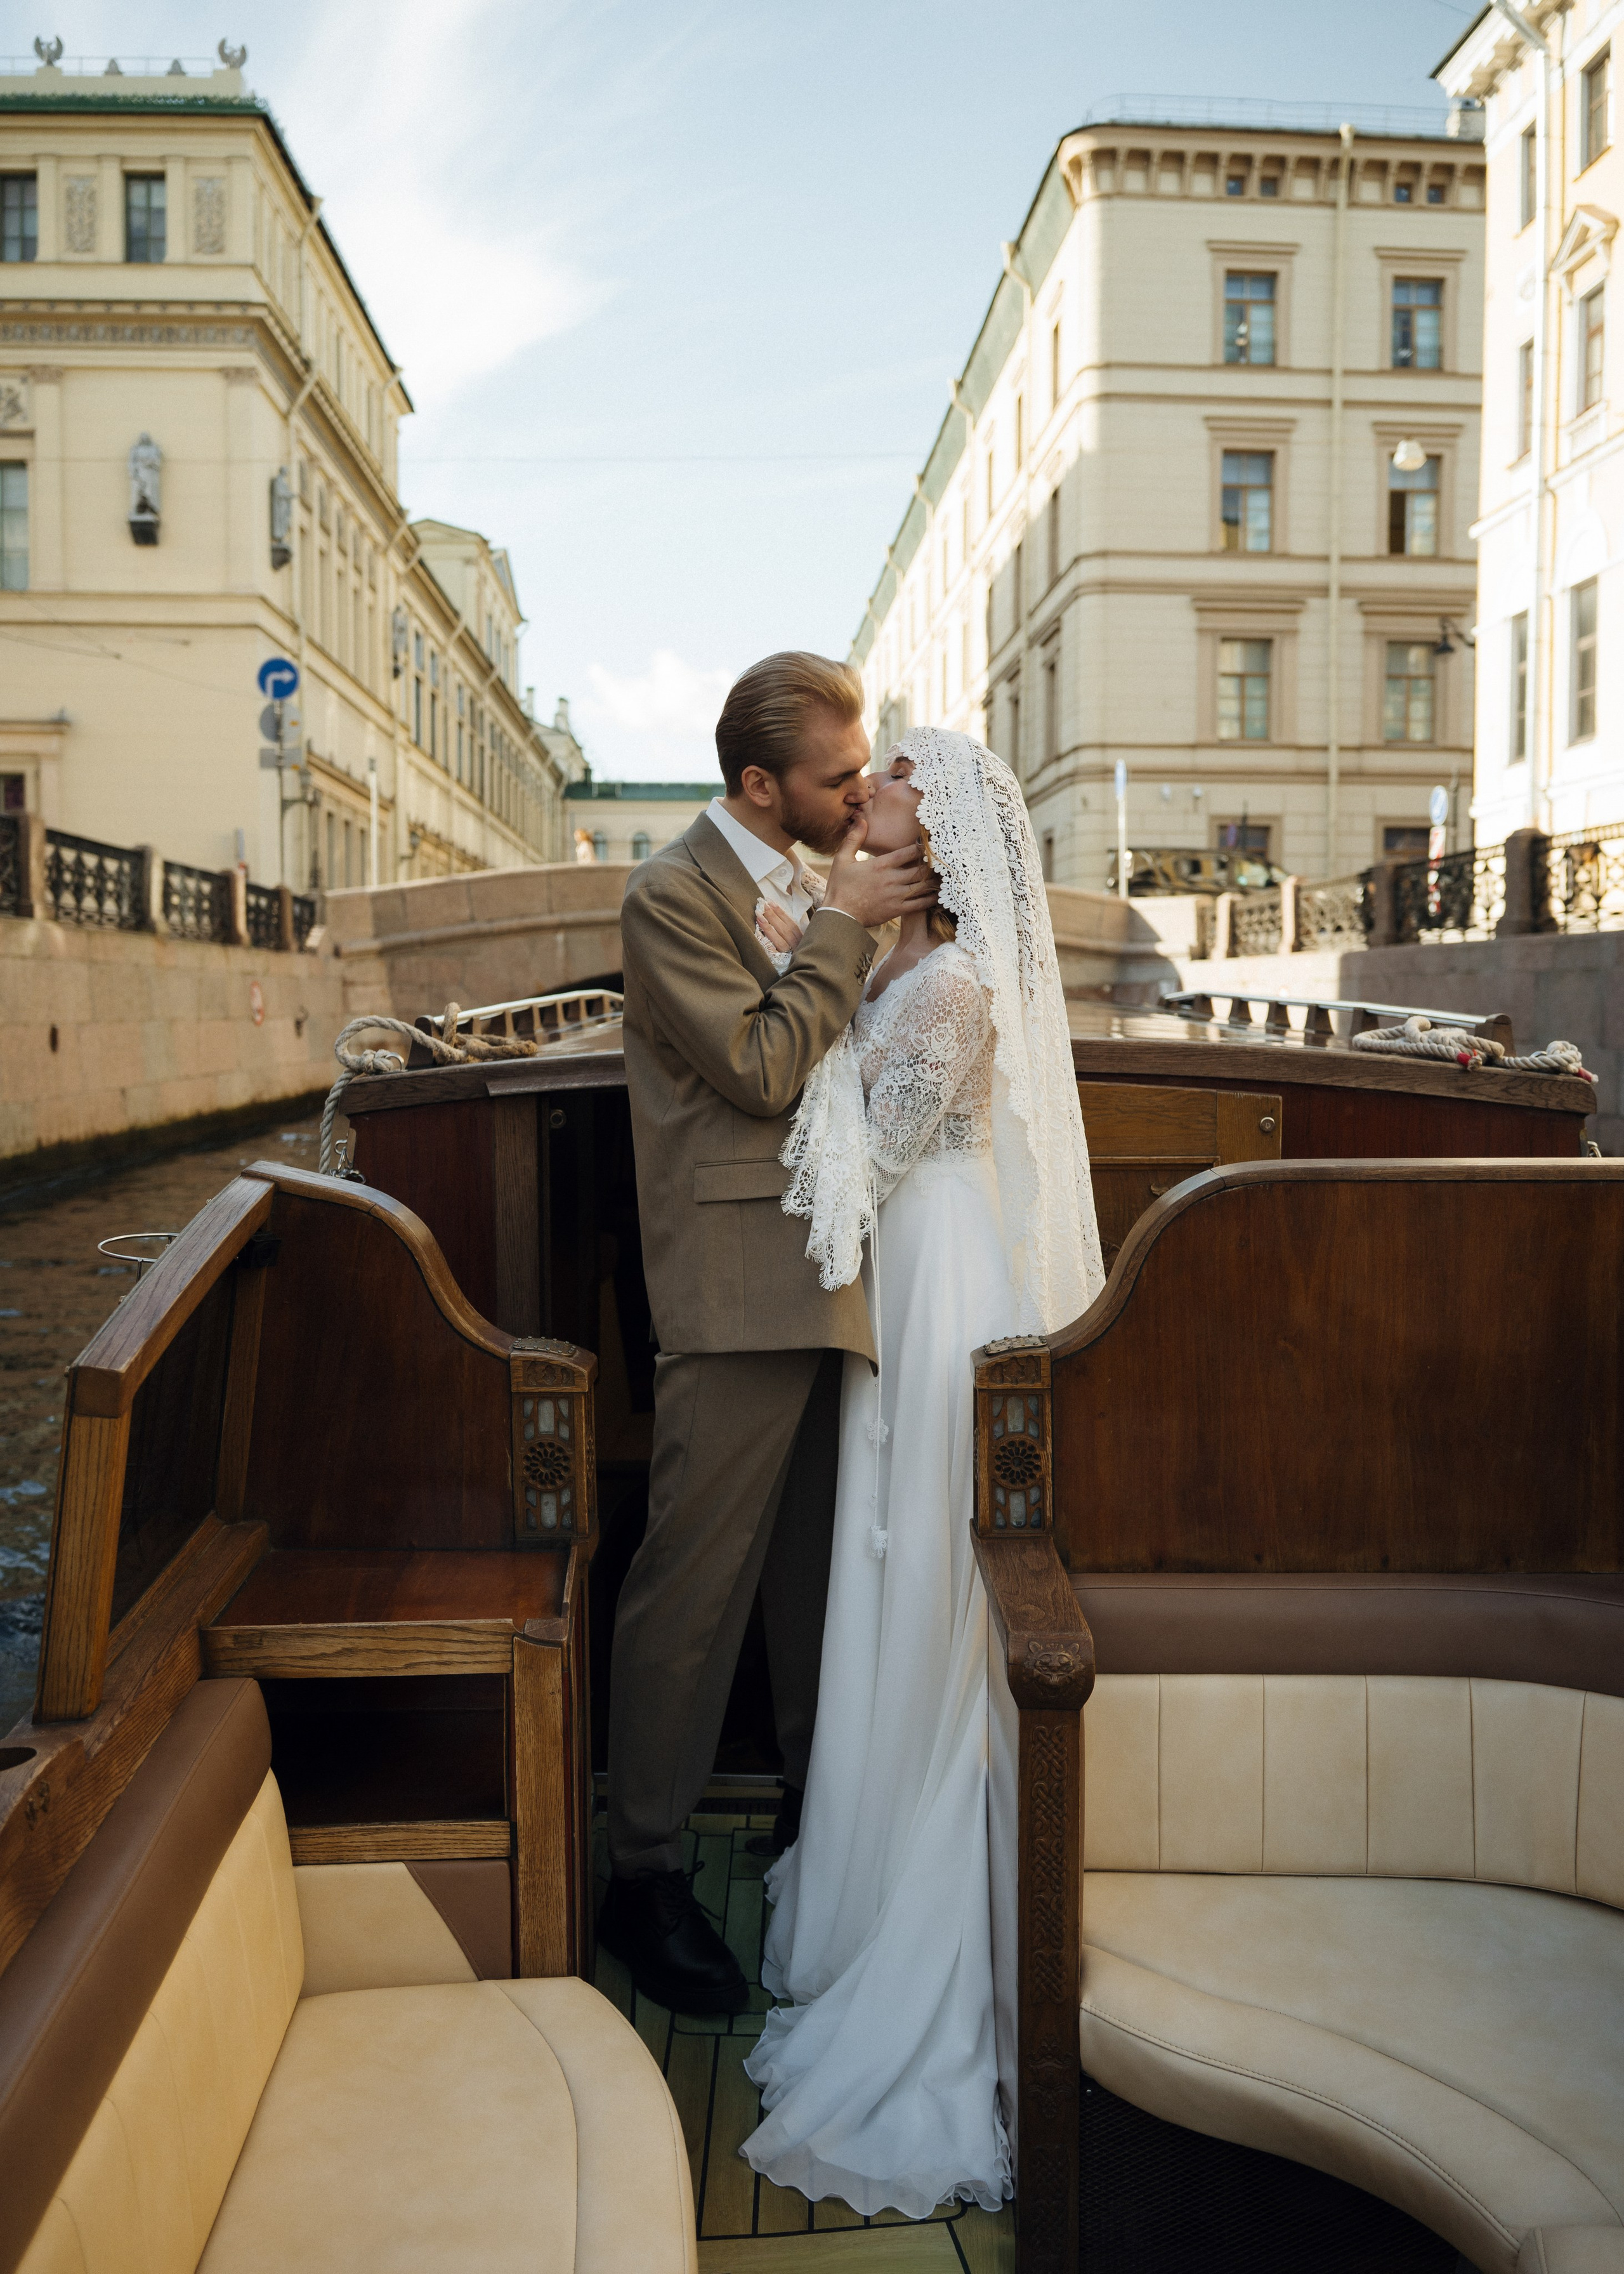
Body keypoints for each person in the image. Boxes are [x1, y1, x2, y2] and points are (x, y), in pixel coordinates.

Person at [741, 726, 1104, 2216]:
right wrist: (816, 960)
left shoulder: (949, 987)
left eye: (883, 781)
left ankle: (917, 1924)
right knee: (876, 1577)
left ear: (933, 833)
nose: (859, 794)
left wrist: (799, 989)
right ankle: (862, 1857)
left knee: (921, 1588)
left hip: (942, 1296)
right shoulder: (899, 967)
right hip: (893, 1294)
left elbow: (852, 1159)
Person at [598, 652, 938, 2017]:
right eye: (834, 779)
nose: (857, 799)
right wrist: (847, 924)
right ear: (757, 784)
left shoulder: (824, 872)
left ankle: (818, 1825)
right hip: (736, 1288)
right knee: (691, 1596)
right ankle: (641, 1871)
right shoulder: (670, 892)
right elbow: (756, 1065)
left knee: (816, 1581)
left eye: (863, 774)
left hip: (839, 1267)